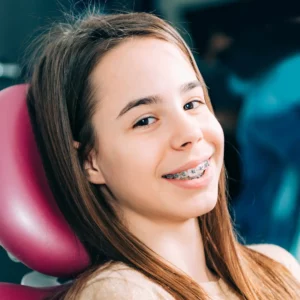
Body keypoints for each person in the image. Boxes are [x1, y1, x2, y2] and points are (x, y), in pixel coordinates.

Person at [26, 10, 300, 300]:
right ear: (90, 161)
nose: (190, 133)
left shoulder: (277, 265)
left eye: (192, 103)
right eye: (145, 120)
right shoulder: (120, 291)